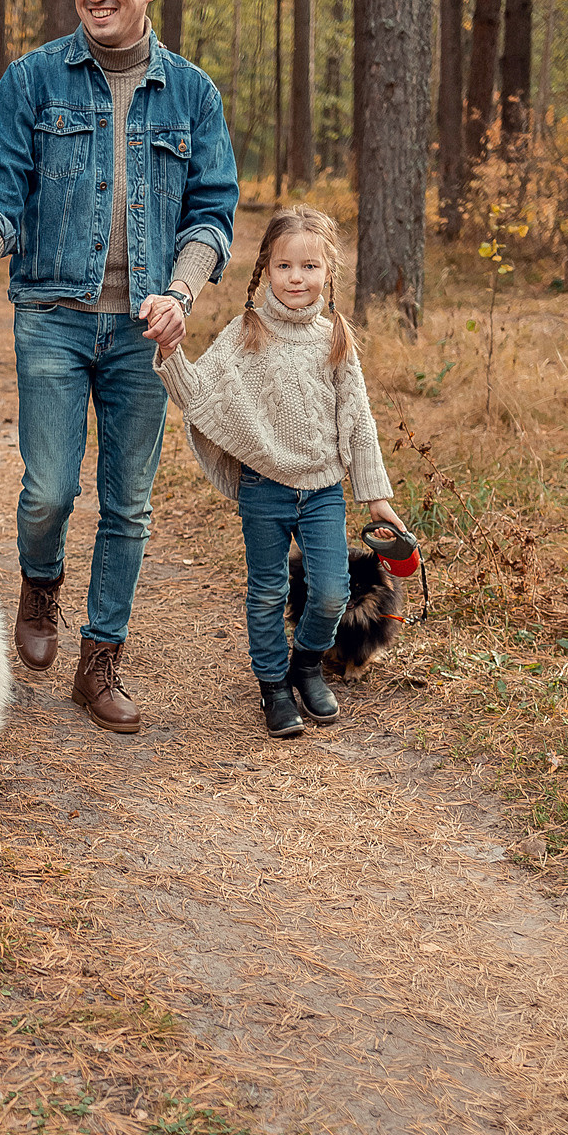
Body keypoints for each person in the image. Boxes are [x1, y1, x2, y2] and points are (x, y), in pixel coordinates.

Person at [0, 0, 239, 733]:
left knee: (129, 505)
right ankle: (39, 583)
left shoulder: (192, 93)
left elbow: (212, 214)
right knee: (48, 491)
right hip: (52, 313)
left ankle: (100, 658)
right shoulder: (33, 80)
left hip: (146, 330)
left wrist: (180, 294)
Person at [154, 205, 409, 738]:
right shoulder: (245, 330)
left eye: (309, 267)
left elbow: (357, 418)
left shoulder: (334, 335)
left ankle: (307, 664)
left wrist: (376, 496)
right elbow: (202, 394)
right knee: (267, 591)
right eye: (285, 267)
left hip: (322, 490)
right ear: (266, 269)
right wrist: (171, 354)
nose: (297, 278)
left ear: (328, 272)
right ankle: (273, 686)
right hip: (264, 488)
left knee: (332, 592)